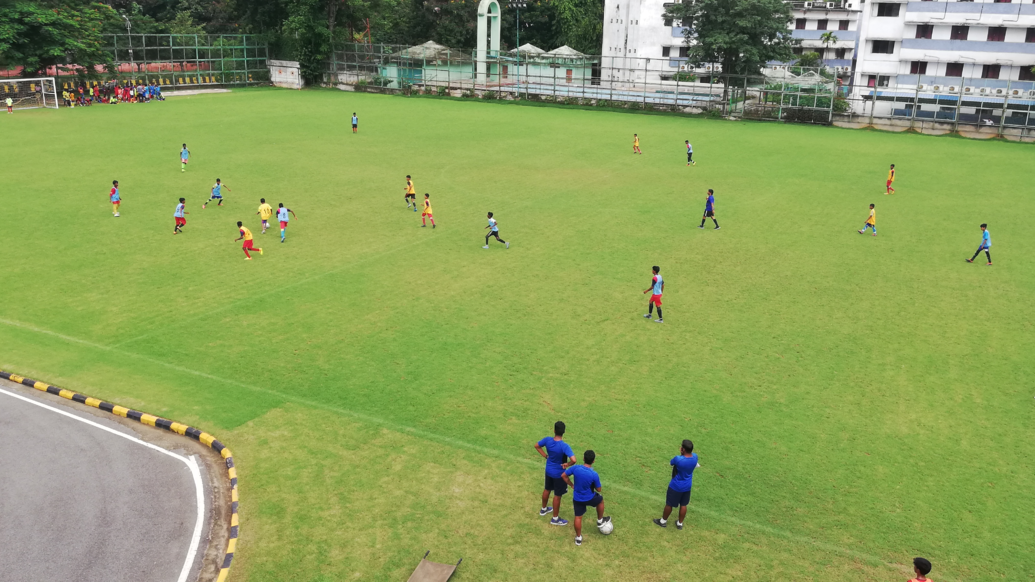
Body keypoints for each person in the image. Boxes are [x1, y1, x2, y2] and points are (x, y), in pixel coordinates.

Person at [561, 450, 611, 547]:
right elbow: (599, 489)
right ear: (593, 461)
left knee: (578, 517)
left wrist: (571, 485)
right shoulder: (593, 474)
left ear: (583, 459)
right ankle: (600, 520)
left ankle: (578, 538)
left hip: (577, 498)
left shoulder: (576, 468)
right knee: (600, 500)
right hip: (590, 497)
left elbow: (563, 475)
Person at [535, 421, 577, 526]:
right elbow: (574, 460)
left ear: (554, 430)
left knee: (547, 489)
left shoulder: (548, 440)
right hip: (559, 474)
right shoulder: (564, 446)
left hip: (548, 470)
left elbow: (537, 446)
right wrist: (567, 464)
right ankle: (555, 519)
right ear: (564, 432)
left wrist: (545, 456)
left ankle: (543, 509)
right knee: (557, 496)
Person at [653, 439, 699, 530]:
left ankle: (663, 521)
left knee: (669, 504)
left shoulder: (678, 459)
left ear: (683, 450)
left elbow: (671, 462)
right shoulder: (695, 457)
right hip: (687, 486)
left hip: (676, 486)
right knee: (683, 505)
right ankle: (680, 523)